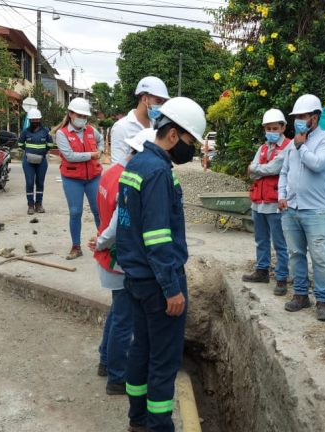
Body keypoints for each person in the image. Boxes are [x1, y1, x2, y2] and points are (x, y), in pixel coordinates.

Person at [116, 97, 205, 432]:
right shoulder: (156, 172)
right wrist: (171, 288)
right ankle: (158, 426)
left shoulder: (136, 166)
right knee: (164, 360)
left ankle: (137, 420)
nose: (191, 149)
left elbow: (127, 226)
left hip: (136, 278)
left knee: (141, 349)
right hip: (158, 282)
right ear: (172, 135)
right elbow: (156, 237)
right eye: (189, 141)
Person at [89, 128, 153, 396]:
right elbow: (117, 224)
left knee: (117, 313)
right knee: (124, 320)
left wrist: (100, 241)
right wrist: (102, 241)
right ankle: (117, 377)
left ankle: (106, 360)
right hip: (117, 257)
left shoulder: (112, 171)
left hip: (109, 256)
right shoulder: (127, 178)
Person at [277, 94, 325, 322]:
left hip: (316, 211)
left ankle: (323, 300)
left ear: (315, 117)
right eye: (296, 117)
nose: (299, 121)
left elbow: (317, 164)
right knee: (296, 255)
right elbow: (284, 172)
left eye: (303, 116)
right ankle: (301, 295)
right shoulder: (293, 144)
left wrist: (301, 147)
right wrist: (281, 195)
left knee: (320, 258)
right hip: (291, 209)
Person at [243, 108, 290, 295]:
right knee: (261, 240)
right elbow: (253, 169)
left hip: (275, 203)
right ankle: (262, 271)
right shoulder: (262, 148)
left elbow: (274, 168)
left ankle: (281, 278)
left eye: (274, 128)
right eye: (268, 128)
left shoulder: (288, 147)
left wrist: (258, 168)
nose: (271, 131)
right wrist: (262, 168)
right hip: (258, 203)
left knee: (280, 243)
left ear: (283, 127)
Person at [53, 97, 105, 260]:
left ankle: (103, 244)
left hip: (93, 177)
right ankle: (76, 247)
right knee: (75, 212)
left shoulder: (90, 130)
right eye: (79, 115)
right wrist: (92, 154)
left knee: (99, 211)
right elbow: (69, 156)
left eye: (84, 116)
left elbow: (101, 140)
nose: (82, 119)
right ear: (70, 114)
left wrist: (101, 150)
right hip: (72, 179)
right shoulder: (62, 134)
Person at [109, 76, 170, 165]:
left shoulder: (157, 125)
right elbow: (117, 166)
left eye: (163, 102)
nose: (161, 106)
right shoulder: (121, 127)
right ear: (145, 99)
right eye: (158, 101)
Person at [18, 108, 54, 215]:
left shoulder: (46, 131)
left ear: (40, 119)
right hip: (28, 162)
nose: (34, 121)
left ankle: (39, 204)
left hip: (42, 161)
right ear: (29, 120)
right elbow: (20, 144)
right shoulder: (25, 132)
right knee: (29, 183)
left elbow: (50, 144)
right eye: (32, 119)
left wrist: (42, 152)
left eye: (36, 119)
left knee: (40, 183)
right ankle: (30, 205)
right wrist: (29, 152)